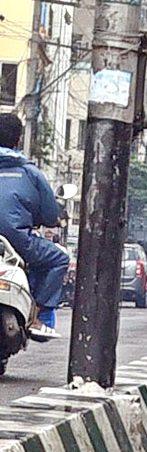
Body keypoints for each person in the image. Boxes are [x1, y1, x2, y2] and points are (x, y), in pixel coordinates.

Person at [0, 113, 68, 338]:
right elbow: (50, 215)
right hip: (18, 241)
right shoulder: (30, 172)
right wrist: (50, 221)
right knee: (60, 259)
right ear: (18, 140)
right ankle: (37, 316)